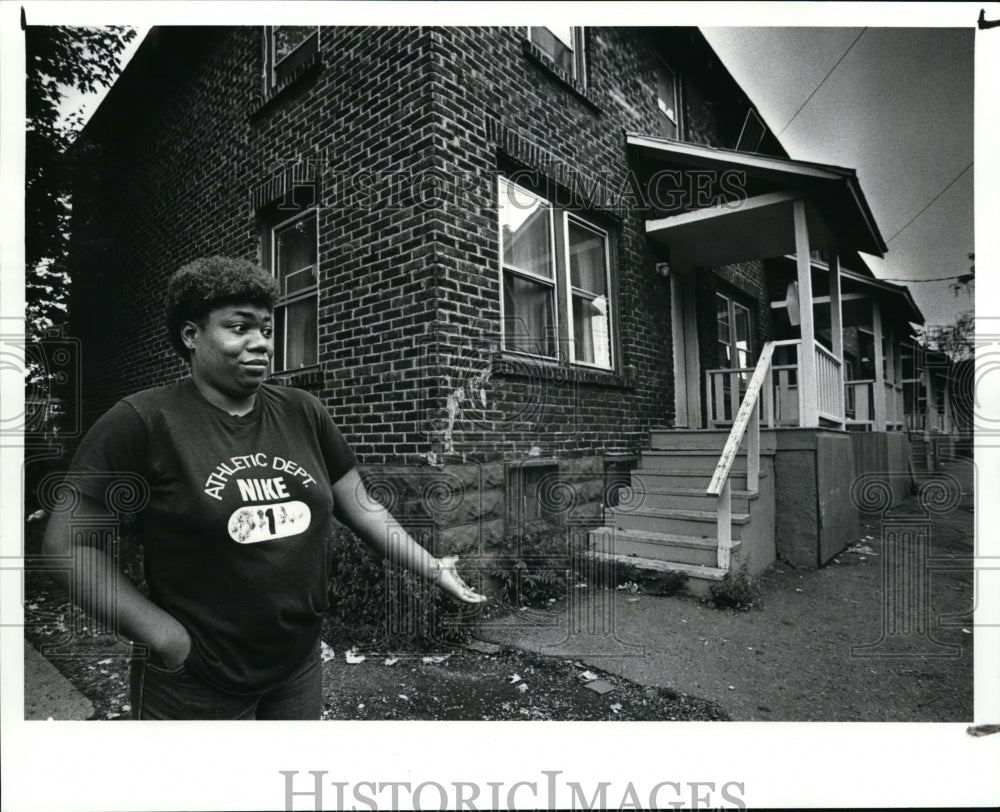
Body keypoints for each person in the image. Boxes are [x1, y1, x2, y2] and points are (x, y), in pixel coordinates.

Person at [42, 256, 485, 720]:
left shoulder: (303, 412)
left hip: (296, 664)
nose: (261, 344)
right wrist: (164, 638)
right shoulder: (143, 422)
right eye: (239, 328)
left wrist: (433, 567)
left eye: (268, 330)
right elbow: (67, 545)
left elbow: (361, 505)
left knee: (284, 787)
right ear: (191, 336)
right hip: (195, 677)